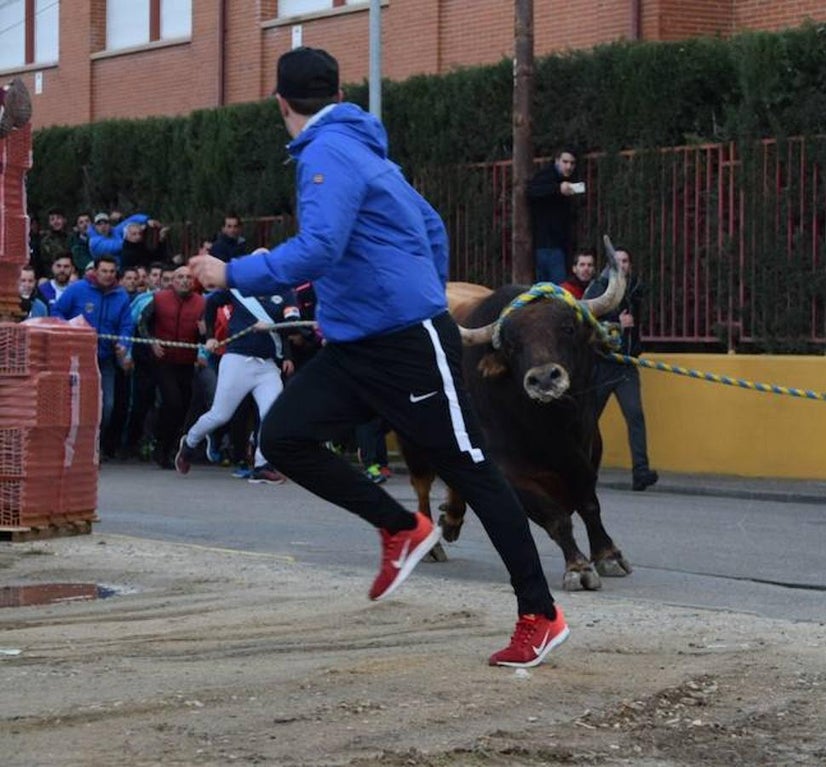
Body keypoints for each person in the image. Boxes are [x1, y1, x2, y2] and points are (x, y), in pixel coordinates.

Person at [188, 46, 568, 668]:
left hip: (403, 340)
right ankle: (400, 527)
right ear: (337, 94)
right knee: (284, 436)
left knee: (470, 467)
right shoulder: (363, 151)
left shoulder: (328, 153)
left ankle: (541, 614)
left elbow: (318, 247)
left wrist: (229, 270)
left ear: (279, 102)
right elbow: (433, 225)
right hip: (358, 341)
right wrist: (424, 284)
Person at [175, 275, 299, 485]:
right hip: (237, 360)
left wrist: (274, 328)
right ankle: (190, 442)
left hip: (267, 365)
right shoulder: (241, 286)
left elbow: (293, 325)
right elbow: (212, 303)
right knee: (221, 415)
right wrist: (211, 337)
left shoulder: (286, 293)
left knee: (272, 413)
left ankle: (262, 465)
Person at [585, 245, 659, 492]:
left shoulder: (634, 288)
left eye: (626, 261)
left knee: (635, 415)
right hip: (603, 365)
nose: (622, 265)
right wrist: (618, 323)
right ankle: (580, 469)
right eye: (617, 261)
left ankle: (641, 472)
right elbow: (588, 321)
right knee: (588, 419)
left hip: (626, 366)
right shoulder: (597, 288)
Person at [52, 255, 135, 459]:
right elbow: (56, 311)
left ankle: (94, 446)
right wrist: (70, 330)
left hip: (104, 359)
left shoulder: (121, 295)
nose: (107, 275)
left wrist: (123, 344)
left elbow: (126, 325)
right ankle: (73, 447)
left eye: (111, 272)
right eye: (104, 271)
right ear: (95, 271)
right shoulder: (77, 289)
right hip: (76, 358)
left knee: (107, 406)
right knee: (75, 404)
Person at [138, 266, 206, 469]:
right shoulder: (159, 299)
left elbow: (209, 334)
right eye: (180, 277)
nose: (184, 281)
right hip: (164, 360)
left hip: (187, 361)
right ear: (172, 281)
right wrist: (152, 342)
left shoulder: (202, 303)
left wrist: (203, 334)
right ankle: (161, 448)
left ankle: (169, 448)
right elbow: (142, 323)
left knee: (183, 406)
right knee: (172, 402)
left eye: (188, 278)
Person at [526, 148, 580, 284]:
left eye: (572, 163)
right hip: (548, 244)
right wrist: (557, 189)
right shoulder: (546, 177)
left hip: (558, 244)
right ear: (557, 161)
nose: (568, 166)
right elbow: (532, 191)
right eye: (565, 162)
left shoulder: (567, 180)